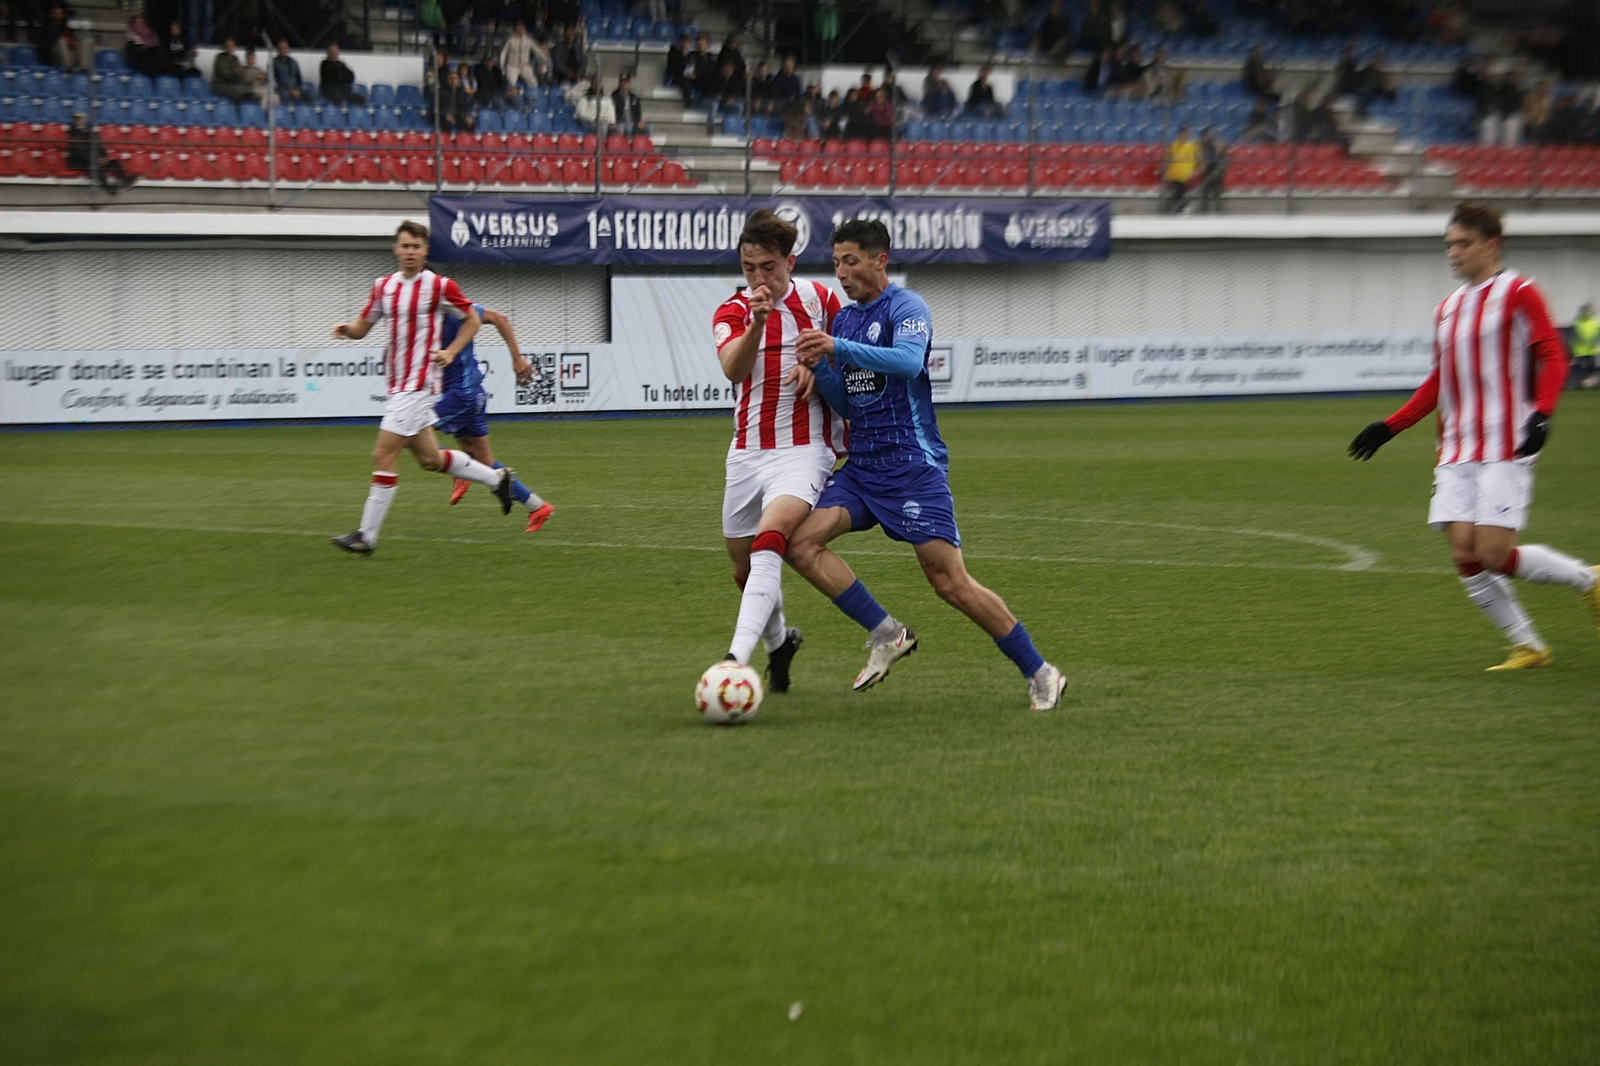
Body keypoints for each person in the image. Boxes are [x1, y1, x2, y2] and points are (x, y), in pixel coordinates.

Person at [788, 219, 1067, 710]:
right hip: (862, 470)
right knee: (802, 544)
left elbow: (908, 362)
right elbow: (851, 404)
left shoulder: (907, 307)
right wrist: (819, 368)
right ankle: (886, 631)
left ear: (880, 260)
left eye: (850, 261)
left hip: (911, 467)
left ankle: (1041, 671)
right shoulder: (846, 320)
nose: (842, 273)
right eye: (835, 263)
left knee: (949, 583)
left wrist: (837, 349)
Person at [1348, 201, 1598, 670]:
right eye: (1449, 244)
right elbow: (1440, 381)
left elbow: (1553, 356)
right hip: (1456, 449)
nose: (1453, 252)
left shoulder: (1519, 291)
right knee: (1465, 552)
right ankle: (1528, 645)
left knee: (1492, 552)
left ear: (1491, 244)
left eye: (1462, 243)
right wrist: (1390, 426)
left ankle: (1588, 580)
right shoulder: (1447, 309)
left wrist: (1542, 413)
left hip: (1506, 443)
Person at [705, 209, 844, 690]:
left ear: (790, 261)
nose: (758, 278)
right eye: (749, 268)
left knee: (772, 539)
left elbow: (848, 358)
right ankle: (778, 642)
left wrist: (820, 365)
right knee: (744, 570)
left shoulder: (821, 300)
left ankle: (733, 661)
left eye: (768, 267)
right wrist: (758, 324)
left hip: (804, 447)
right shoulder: (734, 311)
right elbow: (732, 370)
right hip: (746, 452)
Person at [329, 222, 514, 555]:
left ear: (425, 250)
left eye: (416, 246)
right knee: (430, 459)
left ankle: (366, 537)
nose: (410, 252)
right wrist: (347, 328)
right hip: (398, 384)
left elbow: (472, 318)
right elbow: (363, 326)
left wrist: (451, 351)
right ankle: (497, 479)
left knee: (383, 454)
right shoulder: (383, 287)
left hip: (420, 384)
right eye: (405, 246)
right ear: (395, 249)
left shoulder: (440, 286)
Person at [436, 305, 555, 532]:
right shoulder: (419, 318)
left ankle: (457, 469)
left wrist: (517, 358)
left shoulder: (456, 309)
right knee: (485, 461)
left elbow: (500, 318)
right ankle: (537, 506)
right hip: (473, 392)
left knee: (410, 432)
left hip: (462, 394)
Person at [66, 113, 134, 192]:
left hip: (93, 158)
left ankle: (125, 180)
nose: (79, 121)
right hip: (81, 161)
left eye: (80, 119)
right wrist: (96, 159)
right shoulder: (73, 134)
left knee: (114, 162)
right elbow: (79, 152)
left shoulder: (90, 131)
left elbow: (99, 145)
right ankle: (107, 187)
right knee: (95, 167)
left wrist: (104, 157)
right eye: (77, 119)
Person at [1161, 123, 1198, 213]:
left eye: (1187, 132)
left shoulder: (1191, 146)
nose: (1186, 134)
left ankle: (1182, 208)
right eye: (1185, 132)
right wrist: (1164, 167)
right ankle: (1182, 208)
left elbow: (1193, 160)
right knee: (1178, 192)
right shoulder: (1174, 145)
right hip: (1175, 173)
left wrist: (1192, 170)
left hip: (1184, 173)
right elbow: (1168, 157)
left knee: (1180, 192)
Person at [500, 20, 546, 92]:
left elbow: (537, 50)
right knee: (511, 85)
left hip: (525, 66)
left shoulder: (528, 40)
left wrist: (544, 60)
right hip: (512, 66)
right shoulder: (510, 40)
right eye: (518, 28)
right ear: (515, 29)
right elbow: (503, 53)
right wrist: (502, 66)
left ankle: (533, 99)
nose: (520, 29)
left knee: (534, 84)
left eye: (521, 27)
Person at [210, 39, 259, 104]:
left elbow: (240, 72)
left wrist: (236, 73)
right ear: (225, 47)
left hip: (232, 83)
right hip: (221, 84)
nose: (230, 48)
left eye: (232, 46)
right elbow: (224, 74)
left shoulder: (235, 58)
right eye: (228, 46)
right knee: (238, 90)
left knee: (249, 87)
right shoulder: (220, 58)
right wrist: (235, 73)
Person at [1195, 126, 1226, 213]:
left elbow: (1222, 159)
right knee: (1205, 194)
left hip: (1214, 172)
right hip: (1207, 173)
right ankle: (1203, 212)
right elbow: (1199, 159)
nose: (1210, 136)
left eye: (1210, 134)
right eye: (1208, 134)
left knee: (1216, 194)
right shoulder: (1201, 146)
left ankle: (1218, 211)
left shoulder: (1213, 145)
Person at [434, 69, 476, 133]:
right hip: (444, 117)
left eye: (455, 79)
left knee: (471, 124)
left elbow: (466, 106)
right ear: (447, 81)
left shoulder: (462, 93)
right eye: (451, 79)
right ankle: (446, 142)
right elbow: (438, 107)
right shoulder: (441, 92)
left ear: (458, 81)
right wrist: (446, 115)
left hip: (458, 117)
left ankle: (467, 142)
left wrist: (467, 116)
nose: (453, 81)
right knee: (447, 124)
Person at [1569, 301, 1598, 388]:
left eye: (1588, 310)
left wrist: (1593, 342)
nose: (1586, 312)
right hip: (1579, 351)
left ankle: (1588, 384)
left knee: (1590, 369)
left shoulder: (1595, 321)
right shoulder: (1577, 322)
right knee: (1579, 369)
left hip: (1591, 351)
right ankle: (1577, 384)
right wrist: (1581, 340)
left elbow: (1598, 334)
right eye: (1584, 310)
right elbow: (1574, 335)